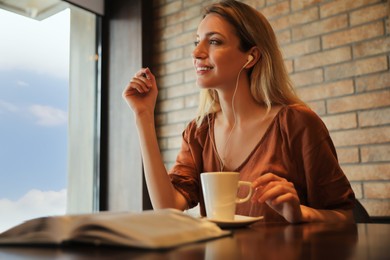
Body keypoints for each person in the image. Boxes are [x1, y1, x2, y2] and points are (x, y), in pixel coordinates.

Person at [122, 0, 355, 223]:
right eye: (197, 42)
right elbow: (168, 207)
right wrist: (143, 115)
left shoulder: (297, 123)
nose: (197, 53)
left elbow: (345, 217)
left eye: (214, 41)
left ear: (251, 56)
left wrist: (300, 213)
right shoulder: (198, 133)